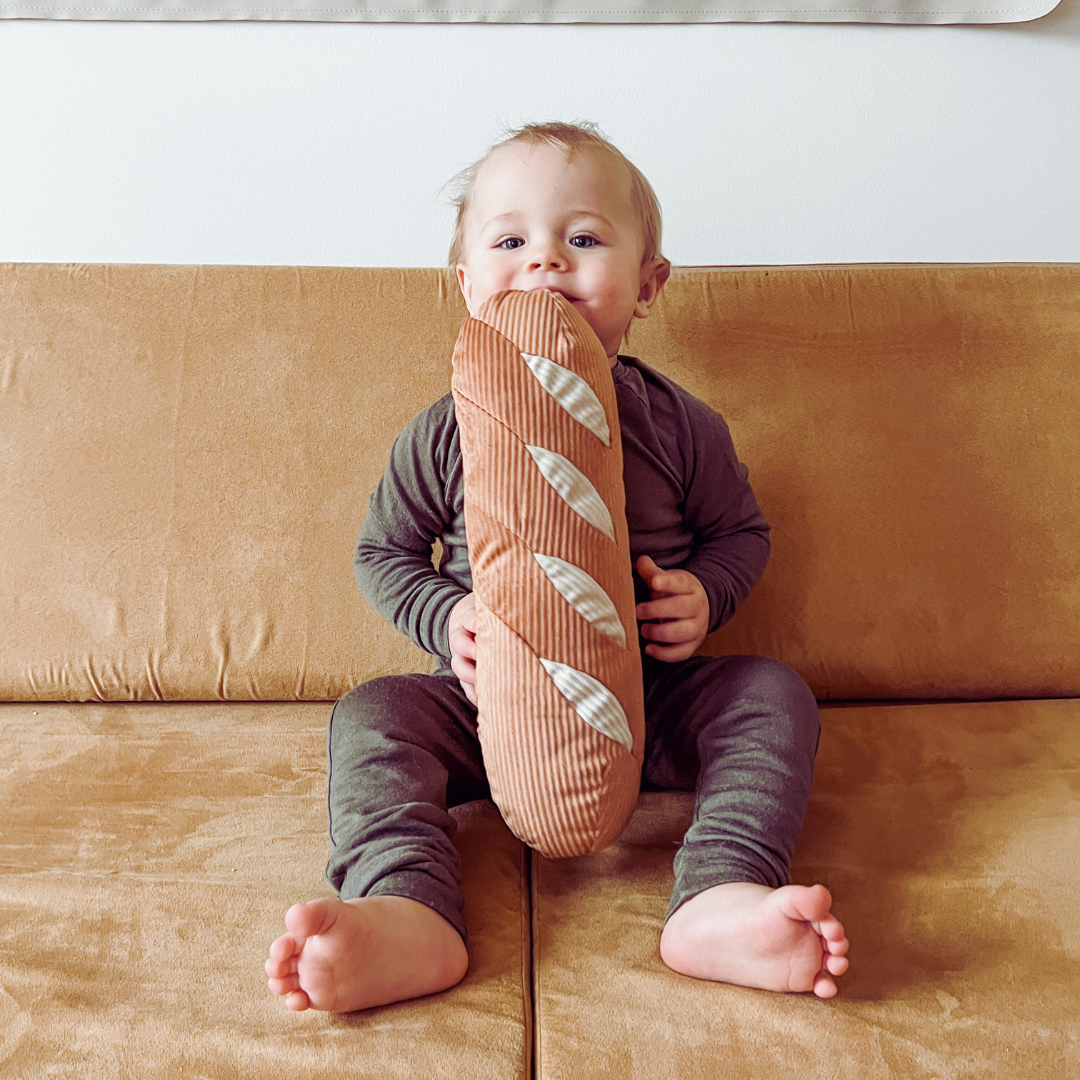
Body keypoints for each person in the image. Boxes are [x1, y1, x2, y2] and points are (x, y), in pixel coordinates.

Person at [265, 121, 849, 1014]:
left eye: (582, 239)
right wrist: (444, 616)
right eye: (509, 242)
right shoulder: (446, 432)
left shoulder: (679, 425)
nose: (544, 263)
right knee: (373, 714)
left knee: (773, 694)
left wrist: (706, 594)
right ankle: (404, 908)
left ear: (647, 284)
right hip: (484, 702)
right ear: (467, 285)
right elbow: (382, 552)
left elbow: (742, 533)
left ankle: (721, 897)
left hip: (656, 698)